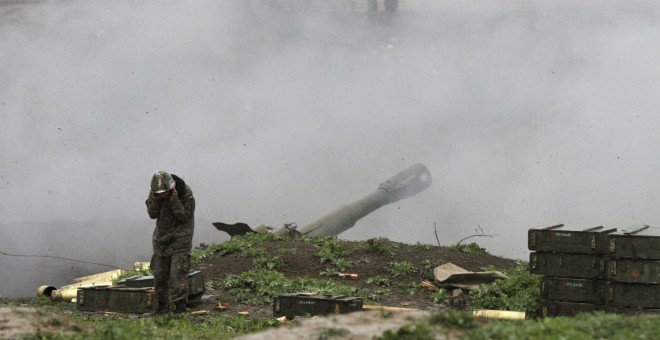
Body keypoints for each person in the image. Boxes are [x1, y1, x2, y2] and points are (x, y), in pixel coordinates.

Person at [145, 170, 195, 314]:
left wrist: (174, 201)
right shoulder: (155, 193)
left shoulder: (186, 194)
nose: (161, 196)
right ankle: (161, 307)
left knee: (177, 274)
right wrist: (155, 199)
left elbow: (185, 217)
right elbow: (152, 214)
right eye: (158, 194)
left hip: (180, 240)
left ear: (171, 189)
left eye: (163, 193)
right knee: (159, 275)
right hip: (161, 240)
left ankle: (179, 307)